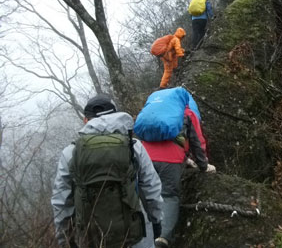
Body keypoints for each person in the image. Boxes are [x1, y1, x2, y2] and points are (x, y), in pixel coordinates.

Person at [51, 94, 163, 248]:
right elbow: (151, 188)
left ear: (85, 120)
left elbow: (61, 202)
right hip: (134, 235)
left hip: (92, 239)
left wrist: (65, 240)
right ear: (116, 115)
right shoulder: (133, 146)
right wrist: (157, 221)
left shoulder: (71, 152)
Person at [134, 87, 216, 248]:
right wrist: (203, 165)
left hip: (144, 160)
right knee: (169, 196)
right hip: (170, 161)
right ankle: (162, 238)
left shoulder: (153, 114)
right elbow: (196, 142)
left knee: (146, 198)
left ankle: (145, 237)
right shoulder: (186, 113)